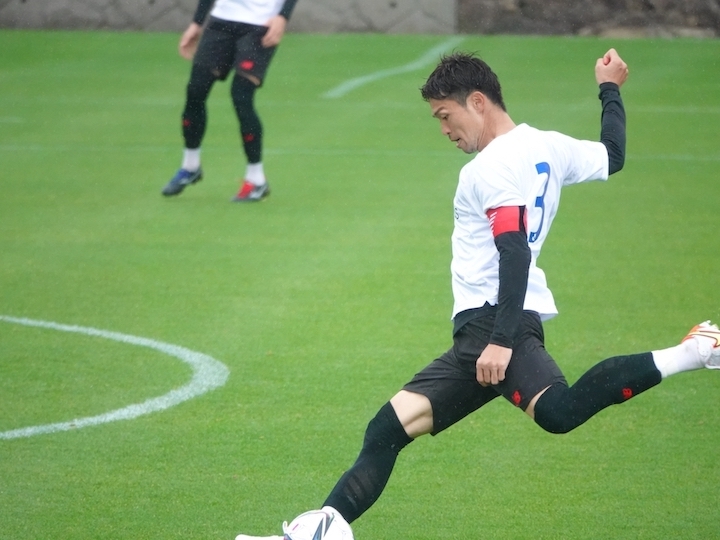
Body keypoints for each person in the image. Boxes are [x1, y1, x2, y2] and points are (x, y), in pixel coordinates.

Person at [235, 49, 720, 539]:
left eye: (445, 115)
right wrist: (609, 88)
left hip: (494, 325)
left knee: (559, 411)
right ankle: (318, 531)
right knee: (386, 430)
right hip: (485, 331)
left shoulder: (488, 168)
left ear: (478, 101)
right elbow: (612, 156)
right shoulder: (548, 146)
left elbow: (514, 250)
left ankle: (696, 350)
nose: (444, 129)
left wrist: (501, 341)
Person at [161, 0, 299, 202]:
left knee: (241, 95)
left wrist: (283, 16)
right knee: (195, 90)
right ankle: (190, 166)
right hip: (222, 20)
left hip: (260, 23)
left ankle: (256, 180)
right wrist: (196, 23)